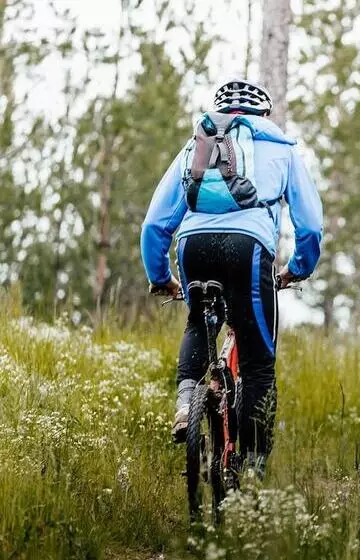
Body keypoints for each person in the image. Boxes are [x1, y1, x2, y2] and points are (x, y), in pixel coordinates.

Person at [140, 79, 323, 473]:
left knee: (198, 320)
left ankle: (186, 400)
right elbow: (310, 227)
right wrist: (297, 269)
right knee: (258, 364)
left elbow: (155, 223)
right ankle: (252, 465)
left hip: (193, 246)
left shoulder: (197, 144)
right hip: (249, 248)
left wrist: (161, 277)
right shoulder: (282, 147)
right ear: (264, 115)